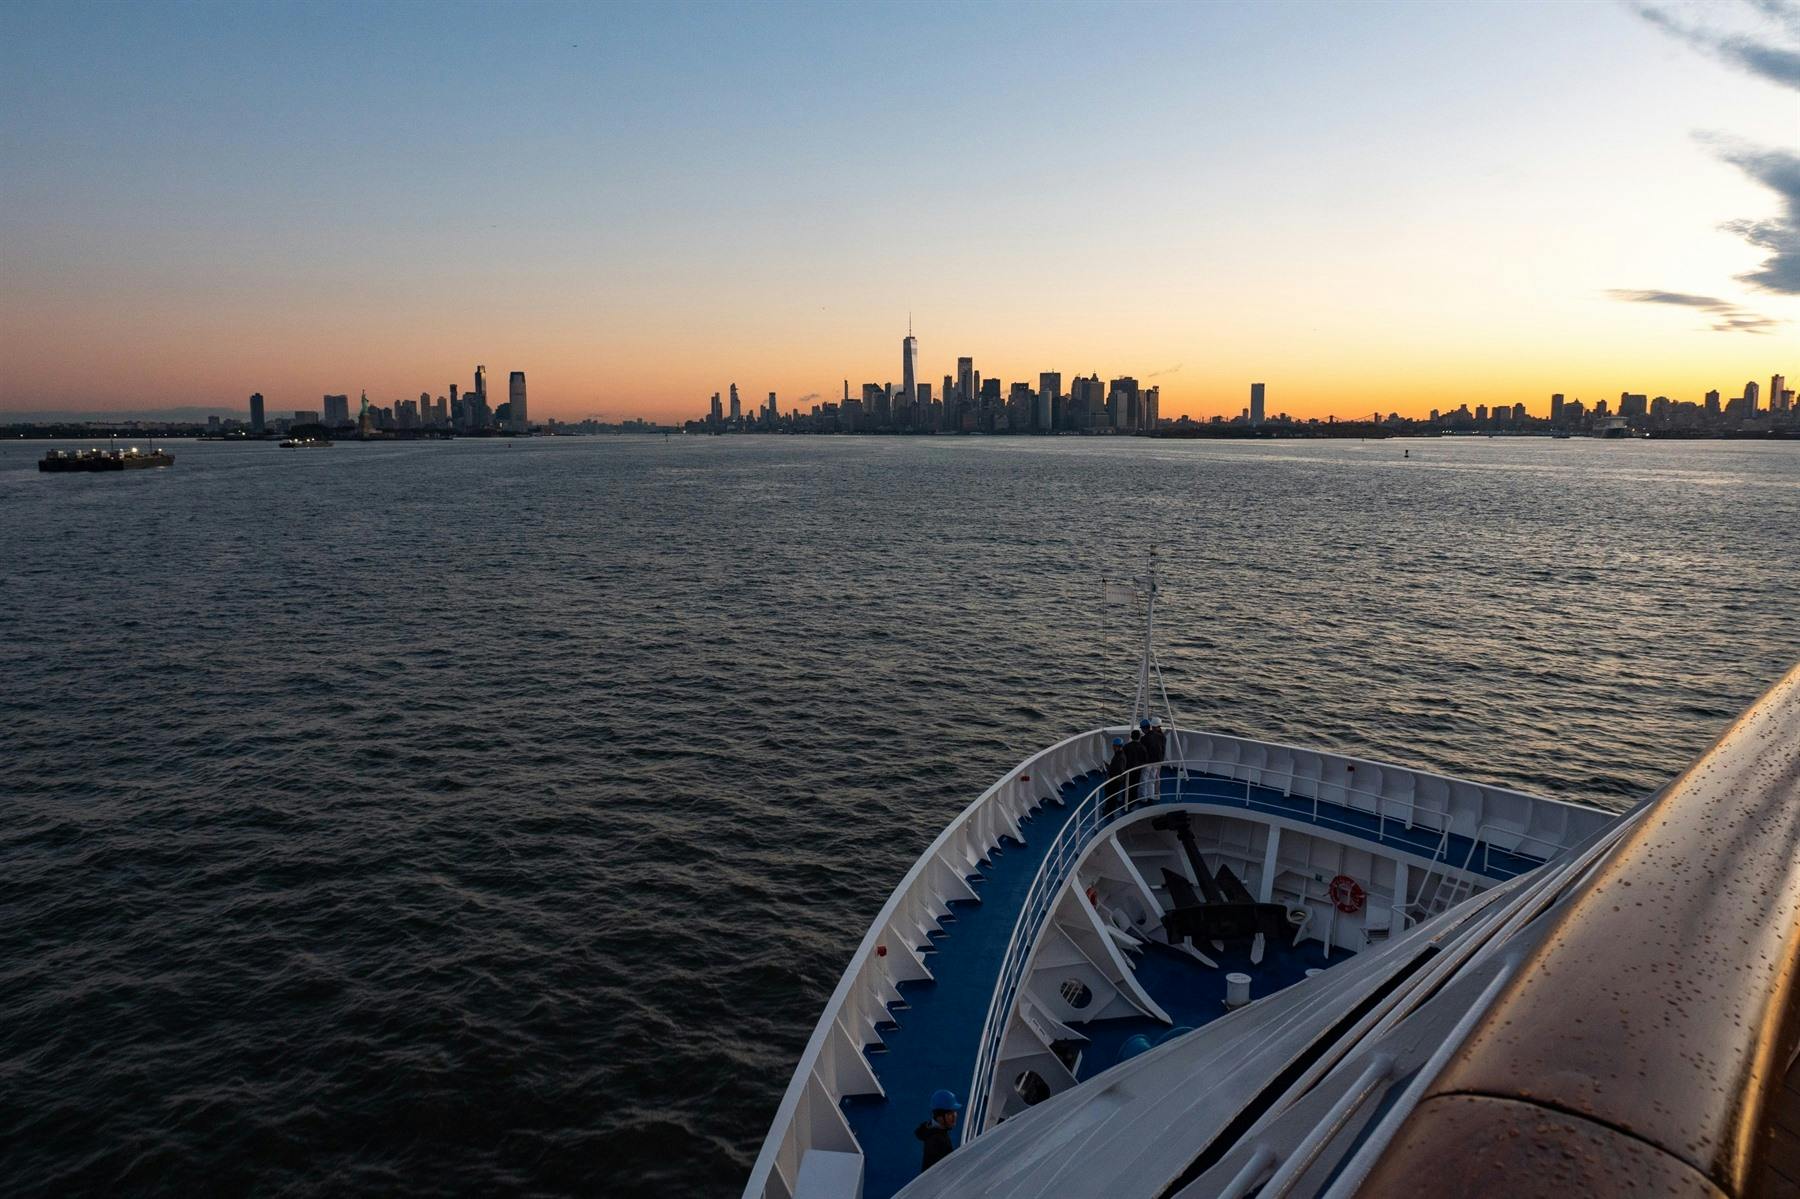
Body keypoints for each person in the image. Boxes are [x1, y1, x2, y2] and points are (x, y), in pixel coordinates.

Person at [915, 1088, 962, 1173]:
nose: (954, 1116)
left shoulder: (930, 1130)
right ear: (939, 1117)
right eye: (949, 1114)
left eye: (954, 1112)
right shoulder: (938, 1141)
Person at [1105, 736, 1129, 817]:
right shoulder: (1120, 755)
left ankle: (1109, 812)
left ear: (1117, 746)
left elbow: (1119, 770)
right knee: (1111, 797)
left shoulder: (1120, 757)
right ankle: (1109, 810)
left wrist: (1110, 773)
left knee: (1112, 797)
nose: (1113, 747)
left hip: (1115, 781)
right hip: (1116, 780)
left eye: (1114, 746)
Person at [1124, 727, 1148, 805]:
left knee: (1127, 785)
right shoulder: (1143, 747)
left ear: (1131, 736)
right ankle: (1133, 801)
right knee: (1135, 785)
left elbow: (1123, 758)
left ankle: (1126, 800)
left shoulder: (1126, 746)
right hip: (1138, 770)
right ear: (1139, 737)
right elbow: (1145, 759)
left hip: (1128, 769)